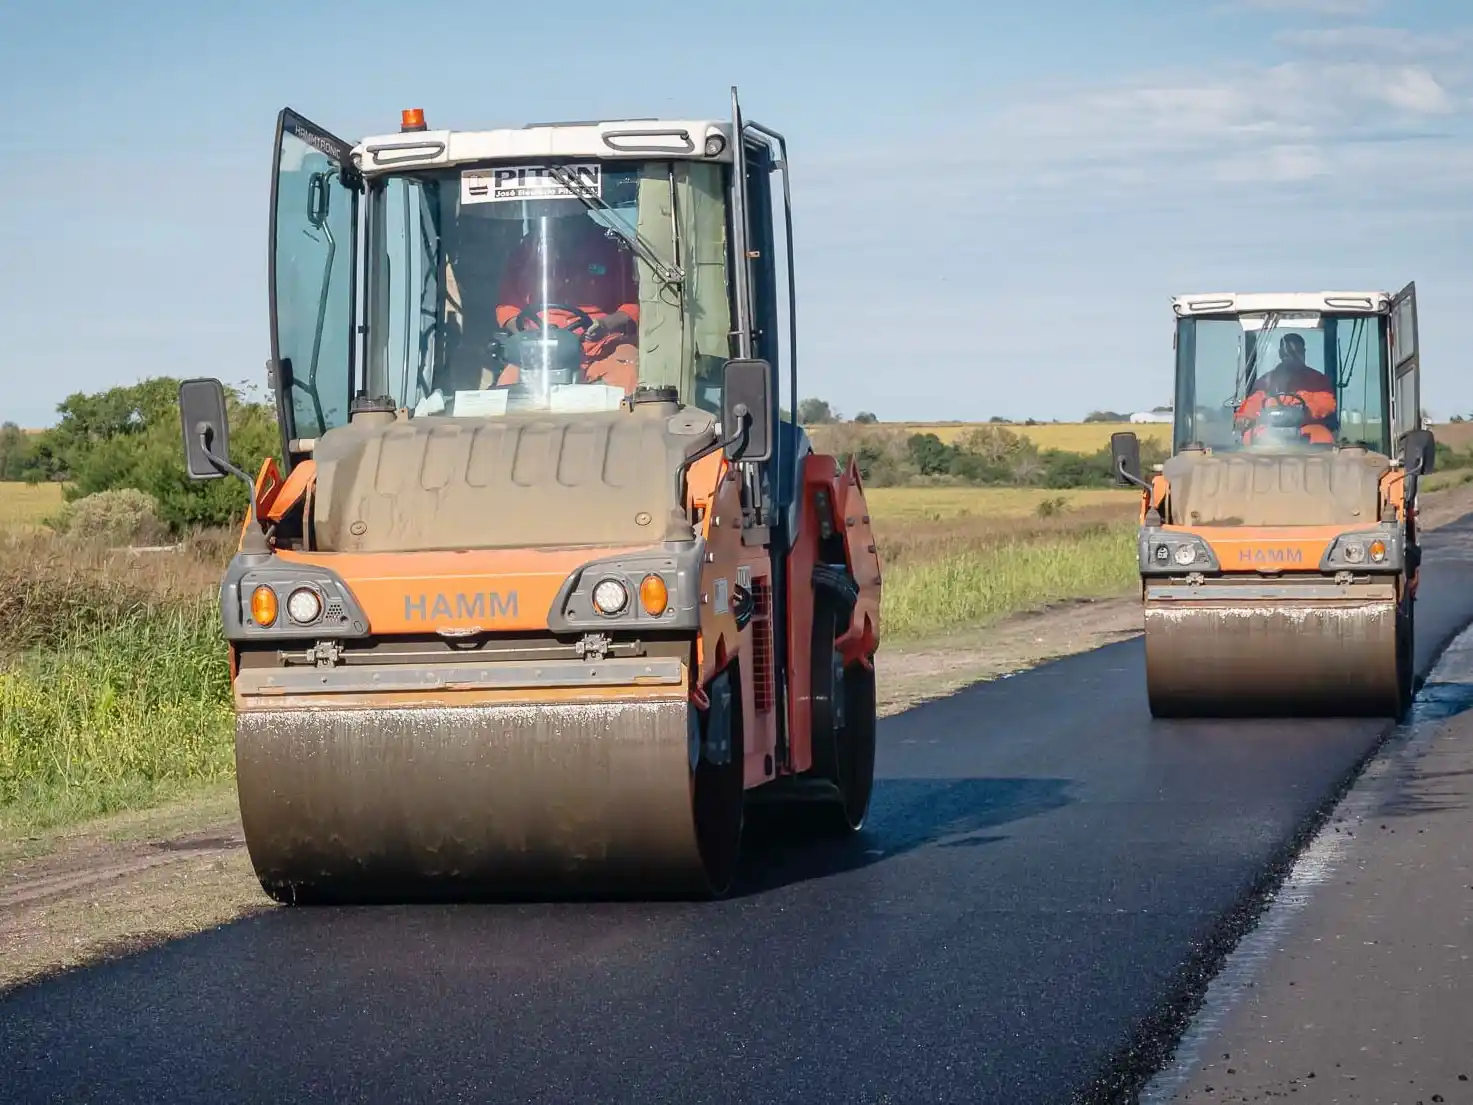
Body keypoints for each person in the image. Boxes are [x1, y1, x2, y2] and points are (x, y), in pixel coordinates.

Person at [493, 213, 641, 393]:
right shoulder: (525, 250)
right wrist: (526, 337)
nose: (563, 220)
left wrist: (606, 324)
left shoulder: (613, 247)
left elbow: (633, 304)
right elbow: (507, 308)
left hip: (600, 348)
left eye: (569, 214)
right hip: (537, 352)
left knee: (629, 372)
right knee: (506, 386)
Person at [1234, 332, 1338, 444]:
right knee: (1249, 437)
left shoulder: (1318, 380)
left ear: (1304, 353)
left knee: (1323, 437)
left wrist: (1305, 411)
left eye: (1297, 353)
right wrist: (1243, 417)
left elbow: (1327, 403)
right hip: (1270, 429)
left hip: (1306, 427)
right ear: (1280, 354)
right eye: (1287, 353)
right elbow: (1253, 402)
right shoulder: (1266, 382)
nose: (1292, 357)